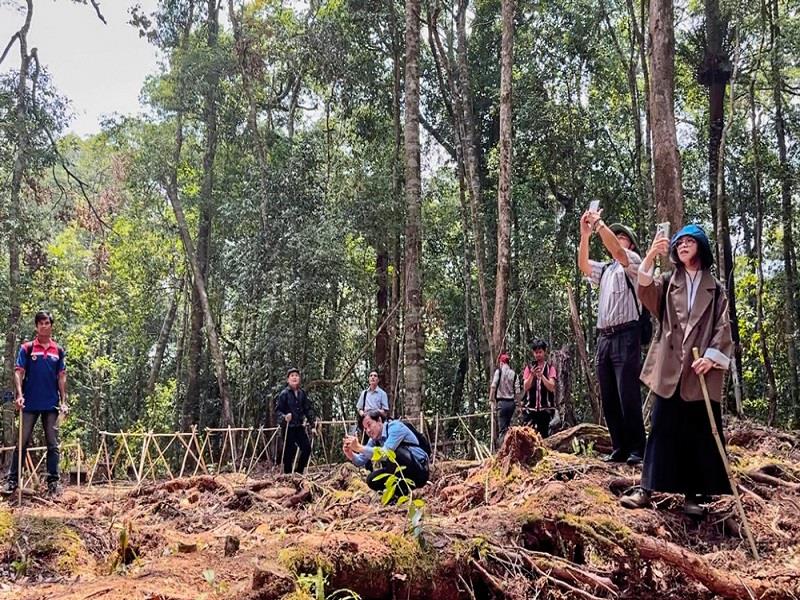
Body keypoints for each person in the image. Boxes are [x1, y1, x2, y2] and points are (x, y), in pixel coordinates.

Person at [620, 224, 733, 516]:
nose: (683, 246)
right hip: (671, 365)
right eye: (679, 242)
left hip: (699, 371)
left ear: (701, 247)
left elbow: (723, 328)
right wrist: (649, 256)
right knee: (660, 425)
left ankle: (694, 496)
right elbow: (644, 288)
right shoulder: (670, 281)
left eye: (689, 242)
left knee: (698, 431)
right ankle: (647, 488)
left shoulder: (716, 288)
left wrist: (711, 358)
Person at [578, 210, 646, 465]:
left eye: (621, 237)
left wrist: (598, 224)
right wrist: (585, 236)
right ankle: (620, 446)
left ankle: (638, 448)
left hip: (627, 334)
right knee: (608, 395)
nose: (616, 239)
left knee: (628, 393)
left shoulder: (633, 262)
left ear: (630, 243)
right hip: (604, 338)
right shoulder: (606, 269)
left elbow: (618, 251)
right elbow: (584, 265)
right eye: (614, 235)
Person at [4, 311, 68, 496]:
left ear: (51, 325)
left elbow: (61, 377)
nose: (43, 326)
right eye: (40, 323)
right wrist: (19, 395)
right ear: (36, 326)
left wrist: (64, 402)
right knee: (21, 443)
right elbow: (18, 372)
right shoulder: (27, 348)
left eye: (46, 322)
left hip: (51, 405)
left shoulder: (59, 350)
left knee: (53, 444)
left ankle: (53, 483)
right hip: (29, 403)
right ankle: (12, 481)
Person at [343, 410, 429, 498]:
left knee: (396, 453)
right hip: (398, 473)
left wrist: (359, 447)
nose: (368, 430)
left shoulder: (396, 427)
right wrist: (350, 454)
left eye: (369, 425)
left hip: (419, 470)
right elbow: (360, 460)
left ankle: (401, 493)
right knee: (371, 479)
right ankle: (398, 493)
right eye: (365, 428)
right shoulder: (373, 440)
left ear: (379, 420)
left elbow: (385, 453)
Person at [275, 367, 316, 474]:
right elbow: (278, 411)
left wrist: (313, 426)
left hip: (299, 426)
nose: (294, 377)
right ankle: (287, 475)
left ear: (299, 378)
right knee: (289, 451)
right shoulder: (284, 394)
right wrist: (284, 417)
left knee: (307, 448)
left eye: (296, 375)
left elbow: (307, 410)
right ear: (288, 380)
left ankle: (298, 472)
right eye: (292, 376)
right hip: (288, 427)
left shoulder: (302, 393)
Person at [521, 339, 557, 438]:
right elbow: (525, 387)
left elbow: (551, 387)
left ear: (544, 352)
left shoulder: (550, 368)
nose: (538, 355)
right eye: (536, 352)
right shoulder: (528, 368)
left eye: (540, 352)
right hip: (530, 410)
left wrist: (542, 376)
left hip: (545, 411)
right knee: (528, 439)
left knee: (545, 438)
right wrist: (532, 375)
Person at [489, 353, 520, 446]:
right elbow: (517, 391)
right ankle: (512, 447)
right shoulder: (514, 374)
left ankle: (503, 449)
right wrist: (518, 405)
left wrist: (491, 399)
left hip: (502, 403)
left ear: (501, 362)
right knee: (511, 429)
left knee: (503, 429)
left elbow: (493, 386)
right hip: (511, 404)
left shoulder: (499, 371)